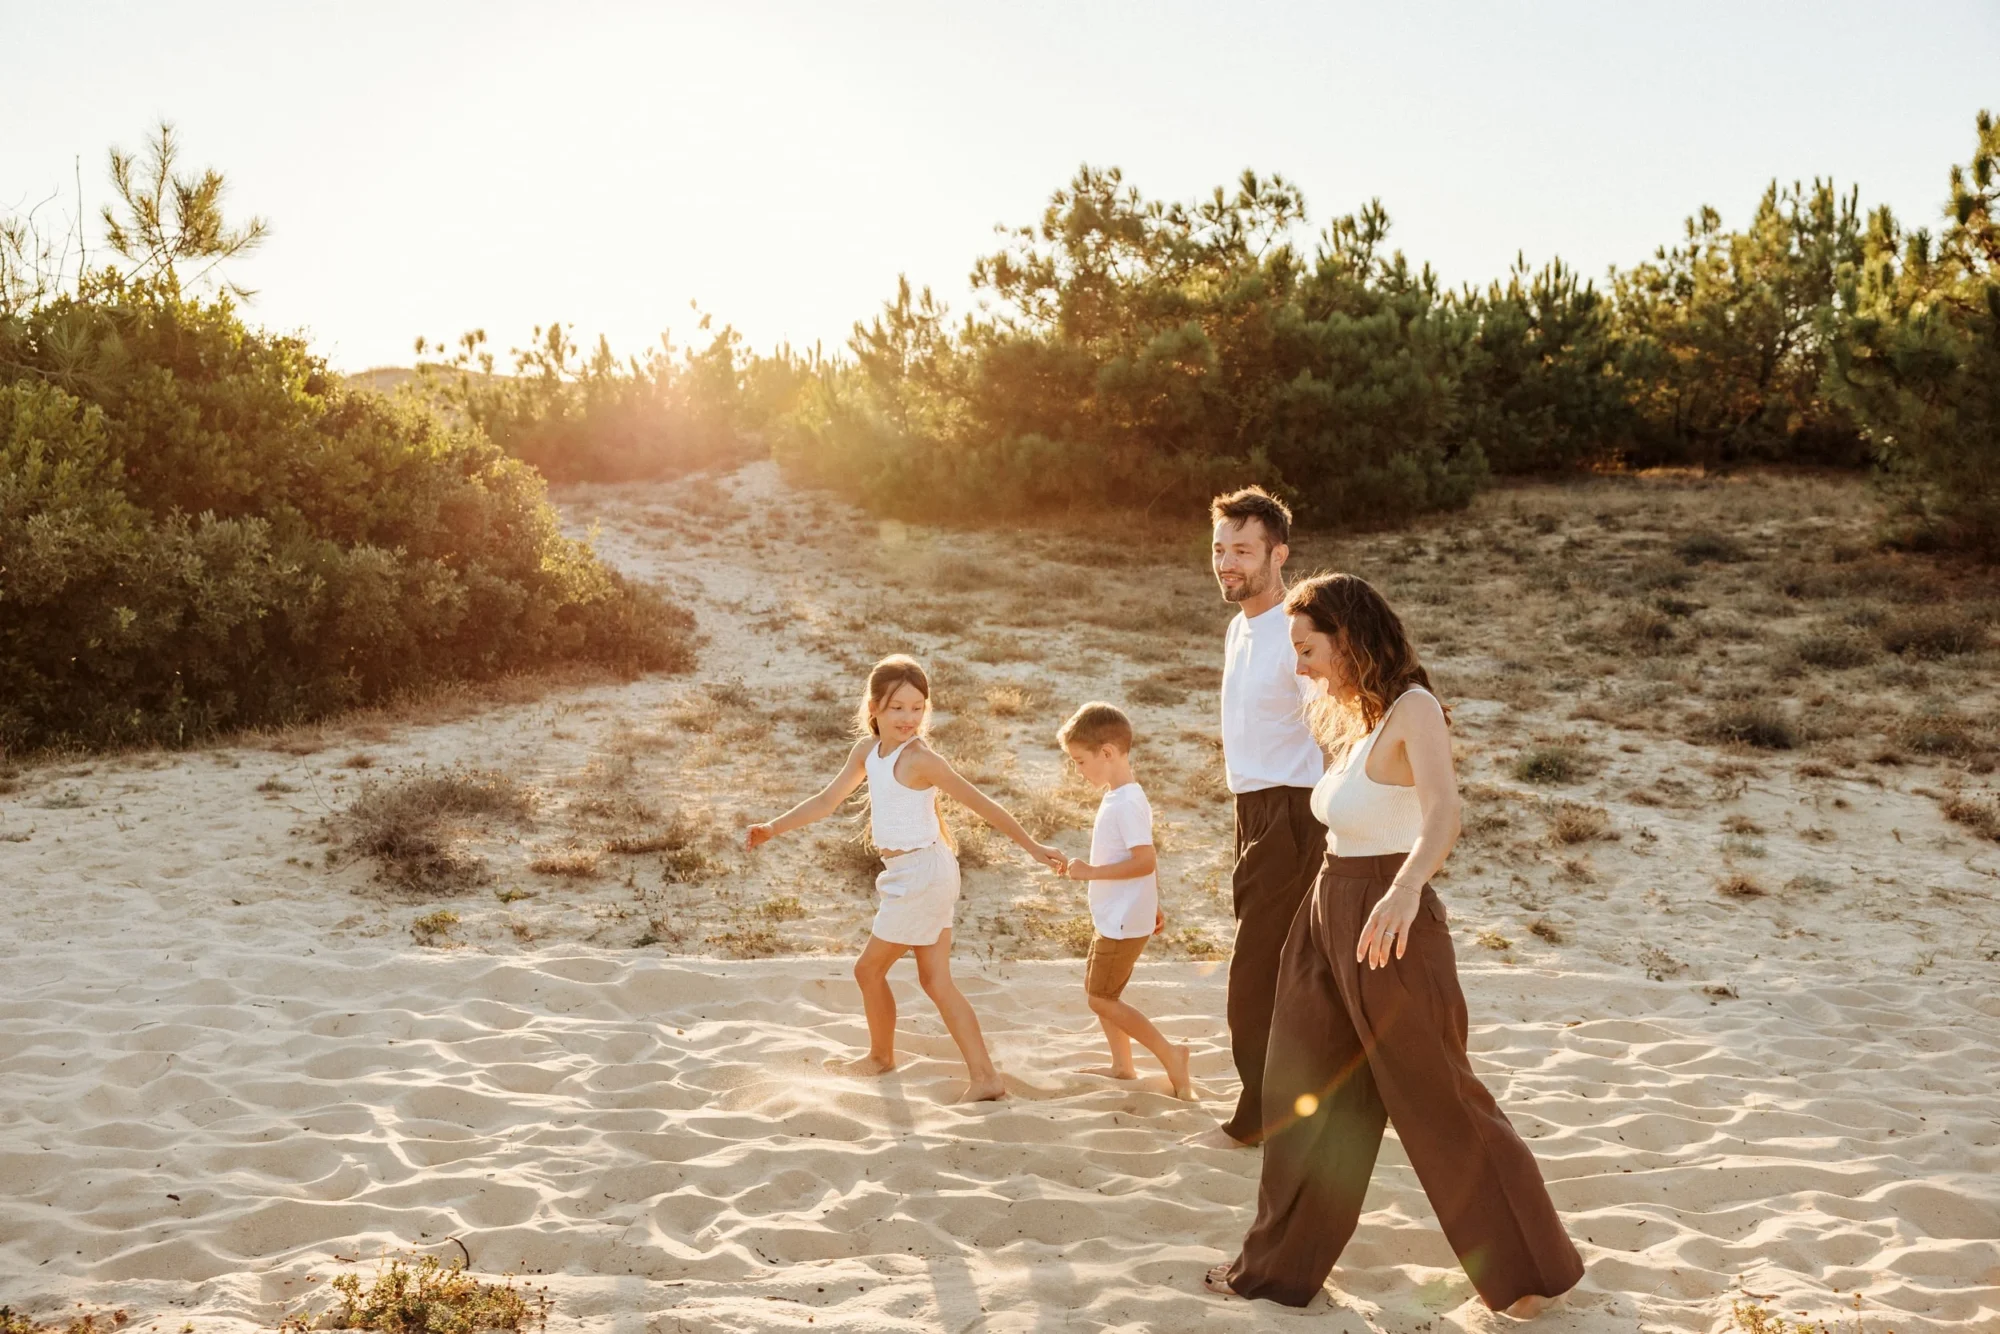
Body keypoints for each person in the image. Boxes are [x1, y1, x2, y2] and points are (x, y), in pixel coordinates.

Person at [1204, 573, 1584, 1315]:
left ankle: (1528, 1276)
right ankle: (1275, 1269)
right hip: (1326, 915)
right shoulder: (1352, 721)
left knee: (1439, 1098)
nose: (1301, 665)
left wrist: (1407, 888)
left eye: (1309, 648)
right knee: (1303, 1094)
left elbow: (1443, 813)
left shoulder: (1414, 709)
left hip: (1390, 919)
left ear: (1348, 637)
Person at [745, 654, 1066, 1104]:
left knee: (867, 969)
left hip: (923, 874)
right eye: (898, 707)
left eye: (918, 708)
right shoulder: (867, 753)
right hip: (914, 873)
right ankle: (984, 1077)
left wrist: (1033, 847)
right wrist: (773, 827)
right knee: (936, 981)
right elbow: (825, 801)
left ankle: (881, 1058)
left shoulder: (922, 760)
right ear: (874, 706)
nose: (909, 718)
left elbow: (982, 804)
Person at [1201, 486, 1328, 1148]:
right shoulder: (1237, 626)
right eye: (1220, 549)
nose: (1228, 563)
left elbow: (1334, 719)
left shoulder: (1296, 631)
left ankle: (1258, 1117)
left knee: (1255, 975)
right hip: (1251, 810)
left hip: (1295, 812)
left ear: (1279, 553)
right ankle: (1295, 1104)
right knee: (1286, 968)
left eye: (1243, 551)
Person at [1055, 702, 1194, 1100]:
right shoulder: (1120, 796)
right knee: (1100, 993)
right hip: (1117, 914)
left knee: (1101, 997)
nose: (1078, 770)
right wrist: (1153, 903)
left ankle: (1171, 1055)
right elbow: (1143, 859)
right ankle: (1122, 1065)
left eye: (1080, 761)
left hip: (1121, 919)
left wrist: (1090, 872)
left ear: (1108, 753)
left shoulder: (1128, 801)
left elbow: (1144, 859)